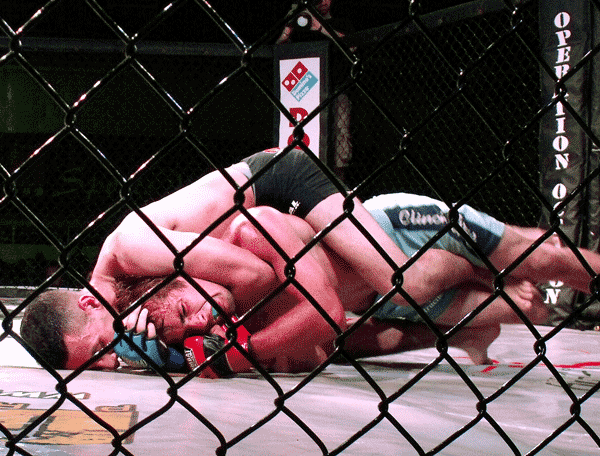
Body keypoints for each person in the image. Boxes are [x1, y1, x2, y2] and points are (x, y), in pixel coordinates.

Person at [19, 149, 600, 369]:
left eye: (99, 348)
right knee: (339, 327)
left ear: (89, 304)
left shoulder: (130, 248)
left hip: (280, 182)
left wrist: (230, 345)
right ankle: (493, 295)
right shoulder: (135, 297)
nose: (112, 356)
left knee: (405, 280)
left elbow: (248, 274)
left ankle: (489, 267)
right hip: (286, 237)